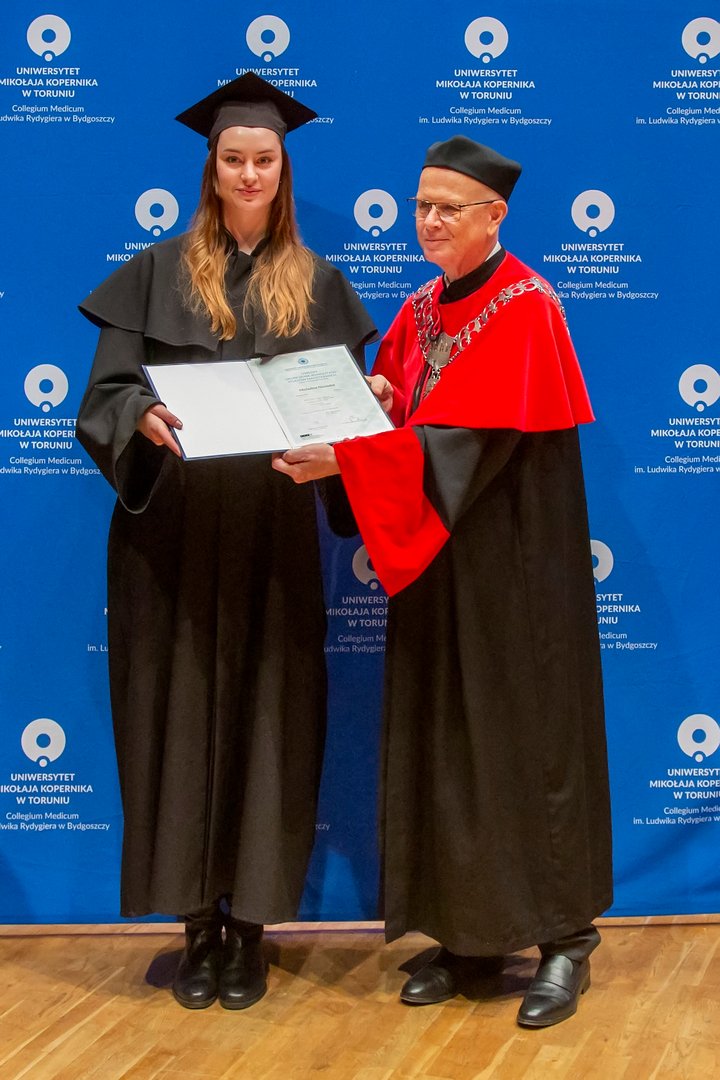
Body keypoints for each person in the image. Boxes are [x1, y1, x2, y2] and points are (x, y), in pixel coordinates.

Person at [273, 135, 613, 1028]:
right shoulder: (421, 307)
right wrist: (373, 409)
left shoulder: (525, 307)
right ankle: (472, 935)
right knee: (452, 746)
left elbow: (463, 446)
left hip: (512, 573)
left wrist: (350, 458)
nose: (428, 222)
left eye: (447, 209)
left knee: (526, 742)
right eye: (421, 206)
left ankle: (566, 938)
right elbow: (401, 413)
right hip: (435, 567)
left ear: (494, 216)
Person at [76, 73, 376, 1011]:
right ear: (211, 169)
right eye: (234, 159)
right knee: (174, 716)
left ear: (284, 171)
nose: (249, 174)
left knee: (269, 718)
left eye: (264, 160)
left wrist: (346, 435)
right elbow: (106, 395)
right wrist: (140, 416)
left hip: (273, 539)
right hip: (168, 540)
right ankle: (194, 928)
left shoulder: (318, 285)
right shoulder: (156, 273)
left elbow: (347, 419)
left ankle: (249, 930)